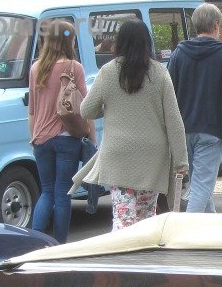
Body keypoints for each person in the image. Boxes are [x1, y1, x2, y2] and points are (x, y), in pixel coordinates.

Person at [72, 19, 188, 229]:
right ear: (147, 43)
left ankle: (123, 257)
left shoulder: (108, 71)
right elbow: (174, 120)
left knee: (123, 218)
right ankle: (145, 258)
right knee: (146, 218)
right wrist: (181, 161)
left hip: (118, 156)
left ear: (120, 42)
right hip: (152, 158)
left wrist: (109, 107)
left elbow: (86, 110)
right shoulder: (159, 73)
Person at [168, 3, 222, 213]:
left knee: (200, 182)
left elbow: (169, 91)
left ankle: (210, 231)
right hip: (213, 128)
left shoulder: (178, 54)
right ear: (216, 24)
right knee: (202, 186)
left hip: (183, 128)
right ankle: (185, 236)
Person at [27, 20, 86, 243]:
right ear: (69, 40)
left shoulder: (36, 68)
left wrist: (33, 138)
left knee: (46, 191)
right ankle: (59, 244)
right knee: (63, 194)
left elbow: (32, 109)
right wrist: (91, 137)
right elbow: (85, 107)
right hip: (66, 138)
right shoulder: (74, 67)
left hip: (41, 138)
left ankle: (35, 241)